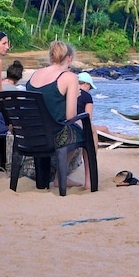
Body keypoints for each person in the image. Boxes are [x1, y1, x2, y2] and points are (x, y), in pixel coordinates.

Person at [26, 40, 91, 189]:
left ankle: (60, 177)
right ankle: (88, 182)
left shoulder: (35, 74)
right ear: (69, 58)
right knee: (89, 130)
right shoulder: (69, 77)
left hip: (33, 135)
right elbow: (71, 117)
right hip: (55, 138)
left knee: (74, 130)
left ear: (51, 57)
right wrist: (74, 97)